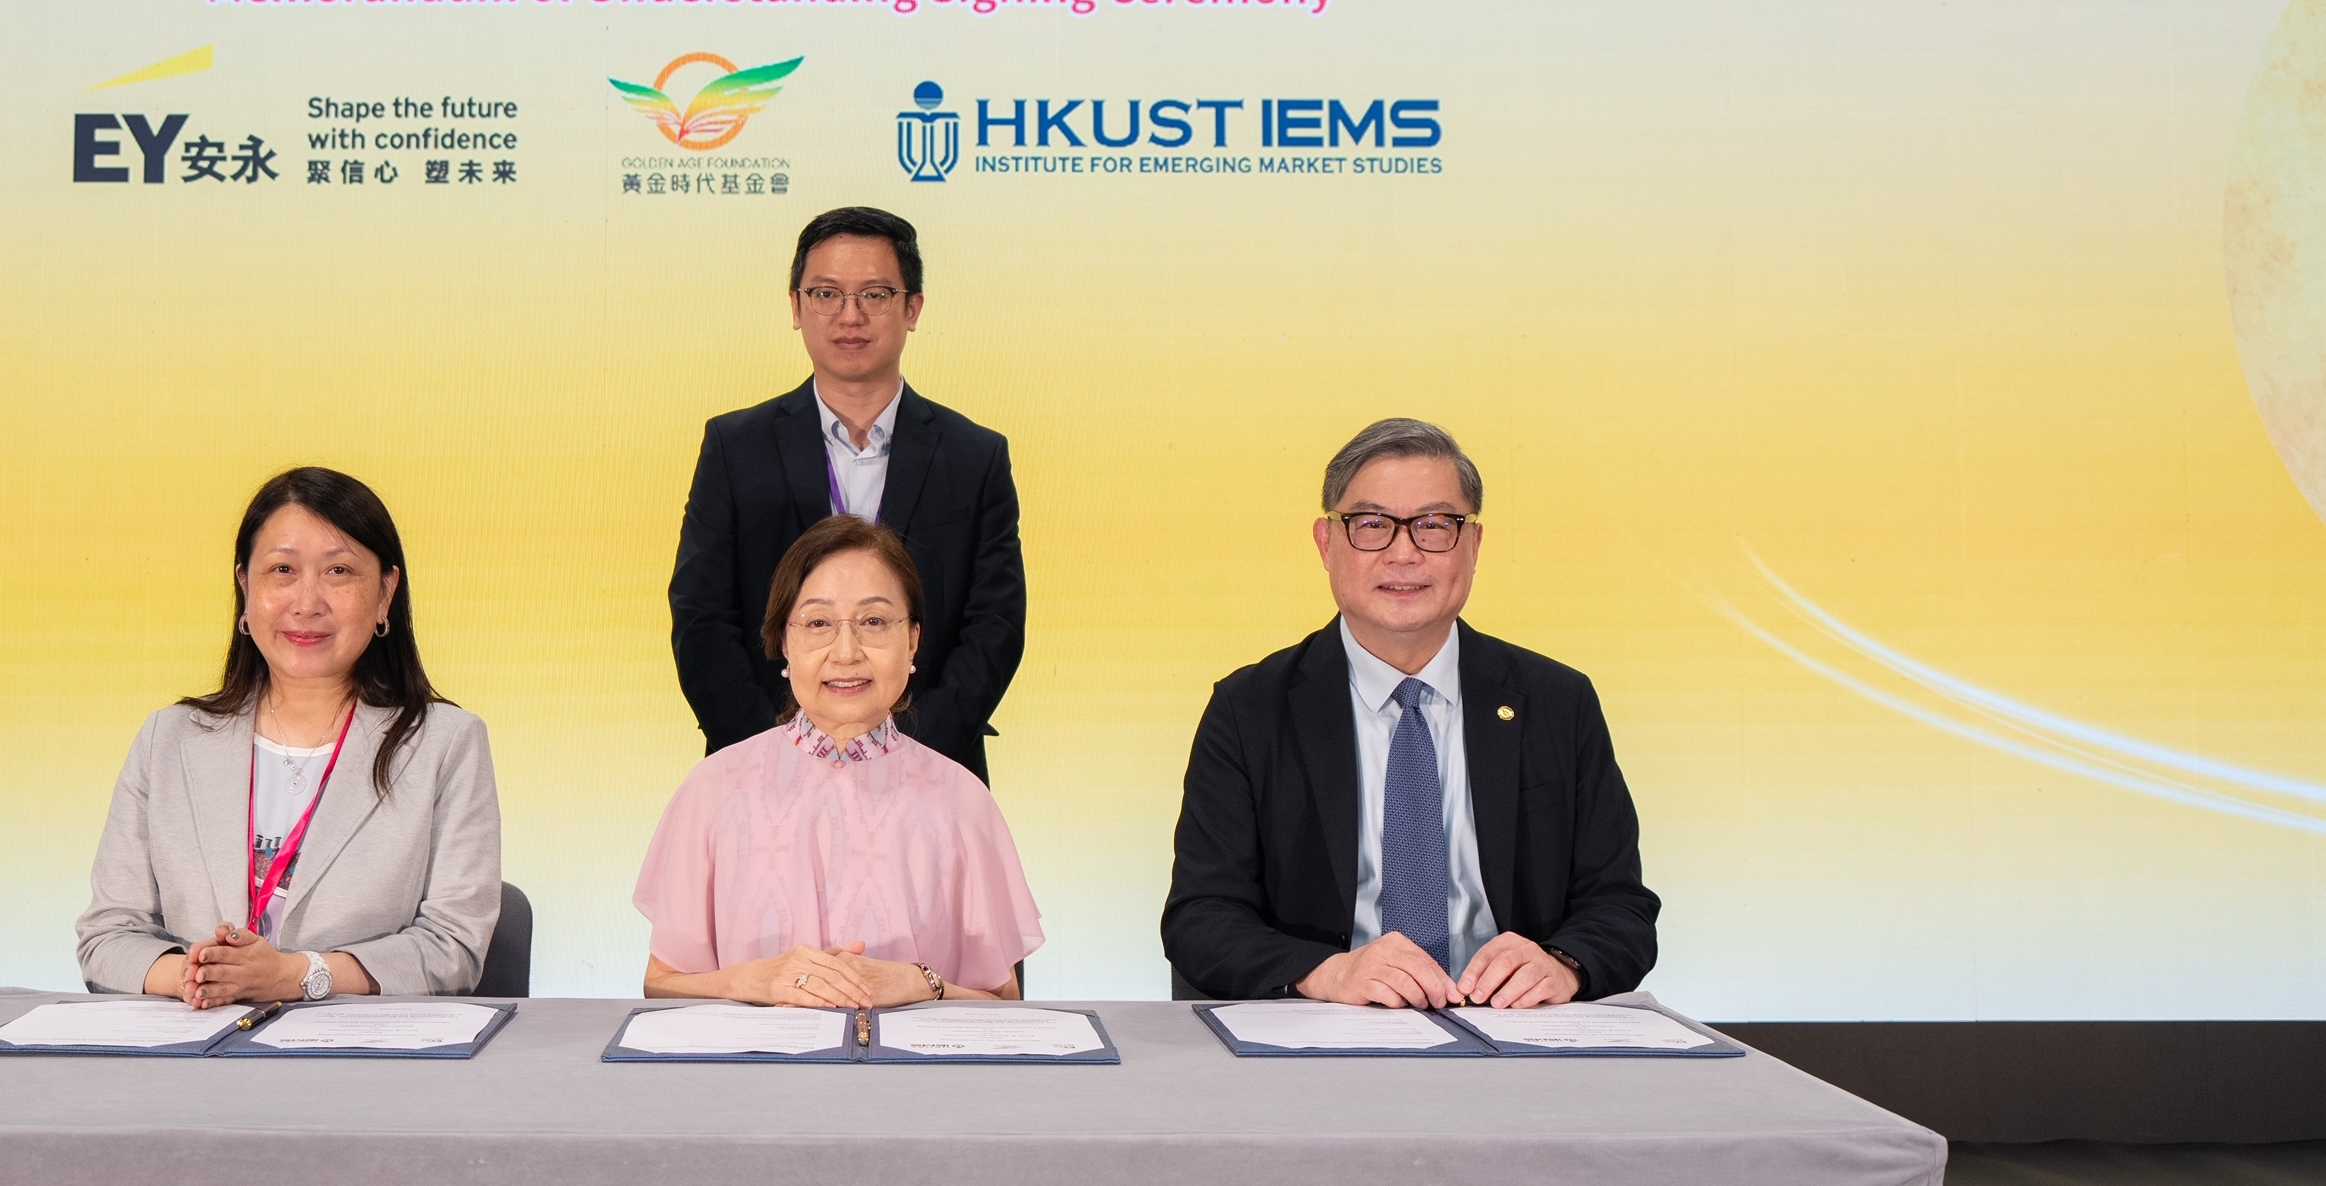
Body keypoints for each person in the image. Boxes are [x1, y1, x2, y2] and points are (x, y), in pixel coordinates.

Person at [1161, 419, 1659, 1007]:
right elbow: (1201, 917)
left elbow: (1621, 907)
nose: (1404, 553)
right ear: (1326, 543)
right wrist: (1326, 972)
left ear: (1473, 546)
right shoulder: (1250, 709)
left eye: (1433, 525)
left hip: (1515, 1037)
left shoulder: (1557, 702)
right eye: (1371, 524)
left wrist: (1563, 964)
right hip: (1326, 1036)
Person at [76, 467, 501, 1003]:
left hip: (359, 1062)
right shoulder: (170, 739)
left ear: (385, 594)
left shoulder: (445, 744)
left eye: (339, 571)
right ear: (245, 587)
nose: (307, 602)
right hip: (192, 1055)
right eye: (282, 569)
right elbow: (107, 936)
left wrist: (295, 976)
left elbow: (453, 947)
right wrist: (205, 978)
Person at [669, 206, 1026, 782]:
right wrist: (778, 752)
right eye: (827, 294)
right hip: (763, 774)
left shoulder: (973, 456)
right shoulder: (736, 448)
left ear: (912, 309)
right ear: (796, 307)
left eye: (876, 295)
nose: (850, 316)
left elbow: (996, 626)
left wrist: (903, 753)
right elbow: (701, 617)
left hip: (930, 772)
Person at [637, 515, 1044, 1007]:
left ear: (912, 640)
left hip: (916, 1081)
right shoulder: (715, 788)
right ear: (784, 643)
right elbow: (660, 986)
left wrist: (922, 984)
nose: (846, 651)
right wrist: (755, 981)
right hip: (751, 1080)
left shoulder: (963, 801)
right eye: (818, 623)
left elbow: (1004, 1009)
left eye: (874, 621)